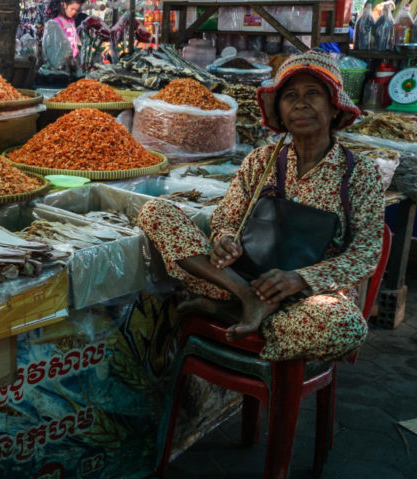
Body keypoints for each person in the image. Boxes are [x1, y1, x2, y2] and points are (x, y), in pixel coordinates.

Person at [137, 52, 385, 361]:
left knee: (345, 327)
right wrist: (225, 240)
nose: (300, 103)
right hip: (240, 278)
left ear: (335, 107)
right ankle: (246, 301)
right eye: (290, 96)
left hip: (304, 298)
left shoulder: (360, 173)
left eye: (313, 94)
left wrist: (300, 279)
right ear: (280, 111)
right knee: (155, 212)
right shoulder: (260, 161)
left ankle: (232, 312)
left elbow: (366, 254)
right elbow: (227, 218)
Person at [39, 0, 86, 78]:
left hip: (72, 64)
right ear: (64, 5)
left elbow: (76, 41)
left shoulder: (71, 21)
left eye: (76, 10)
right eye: (72, 9)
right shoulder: (55, 23)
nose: (74, 12)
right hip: (60, 67)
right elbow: (54, 48)